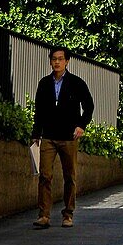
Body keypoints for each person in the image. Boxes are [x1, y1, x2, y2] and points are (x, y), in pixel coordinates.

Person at [30, 46, 94, 229]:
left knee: (70, 176)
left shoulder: (76, 83)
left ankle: (68, 213)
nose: (57, 62)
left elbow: (89, 105)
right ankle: (44, 215)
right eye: (54, 59)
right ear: (50, 61)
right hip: (48, 136)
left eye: (60, 59)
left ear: (67, 61)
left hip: (68, 137)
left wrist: (82, 125)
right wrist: (36, 133)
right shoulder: (44, 84)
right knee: (45, 175)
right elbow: (39, 111)